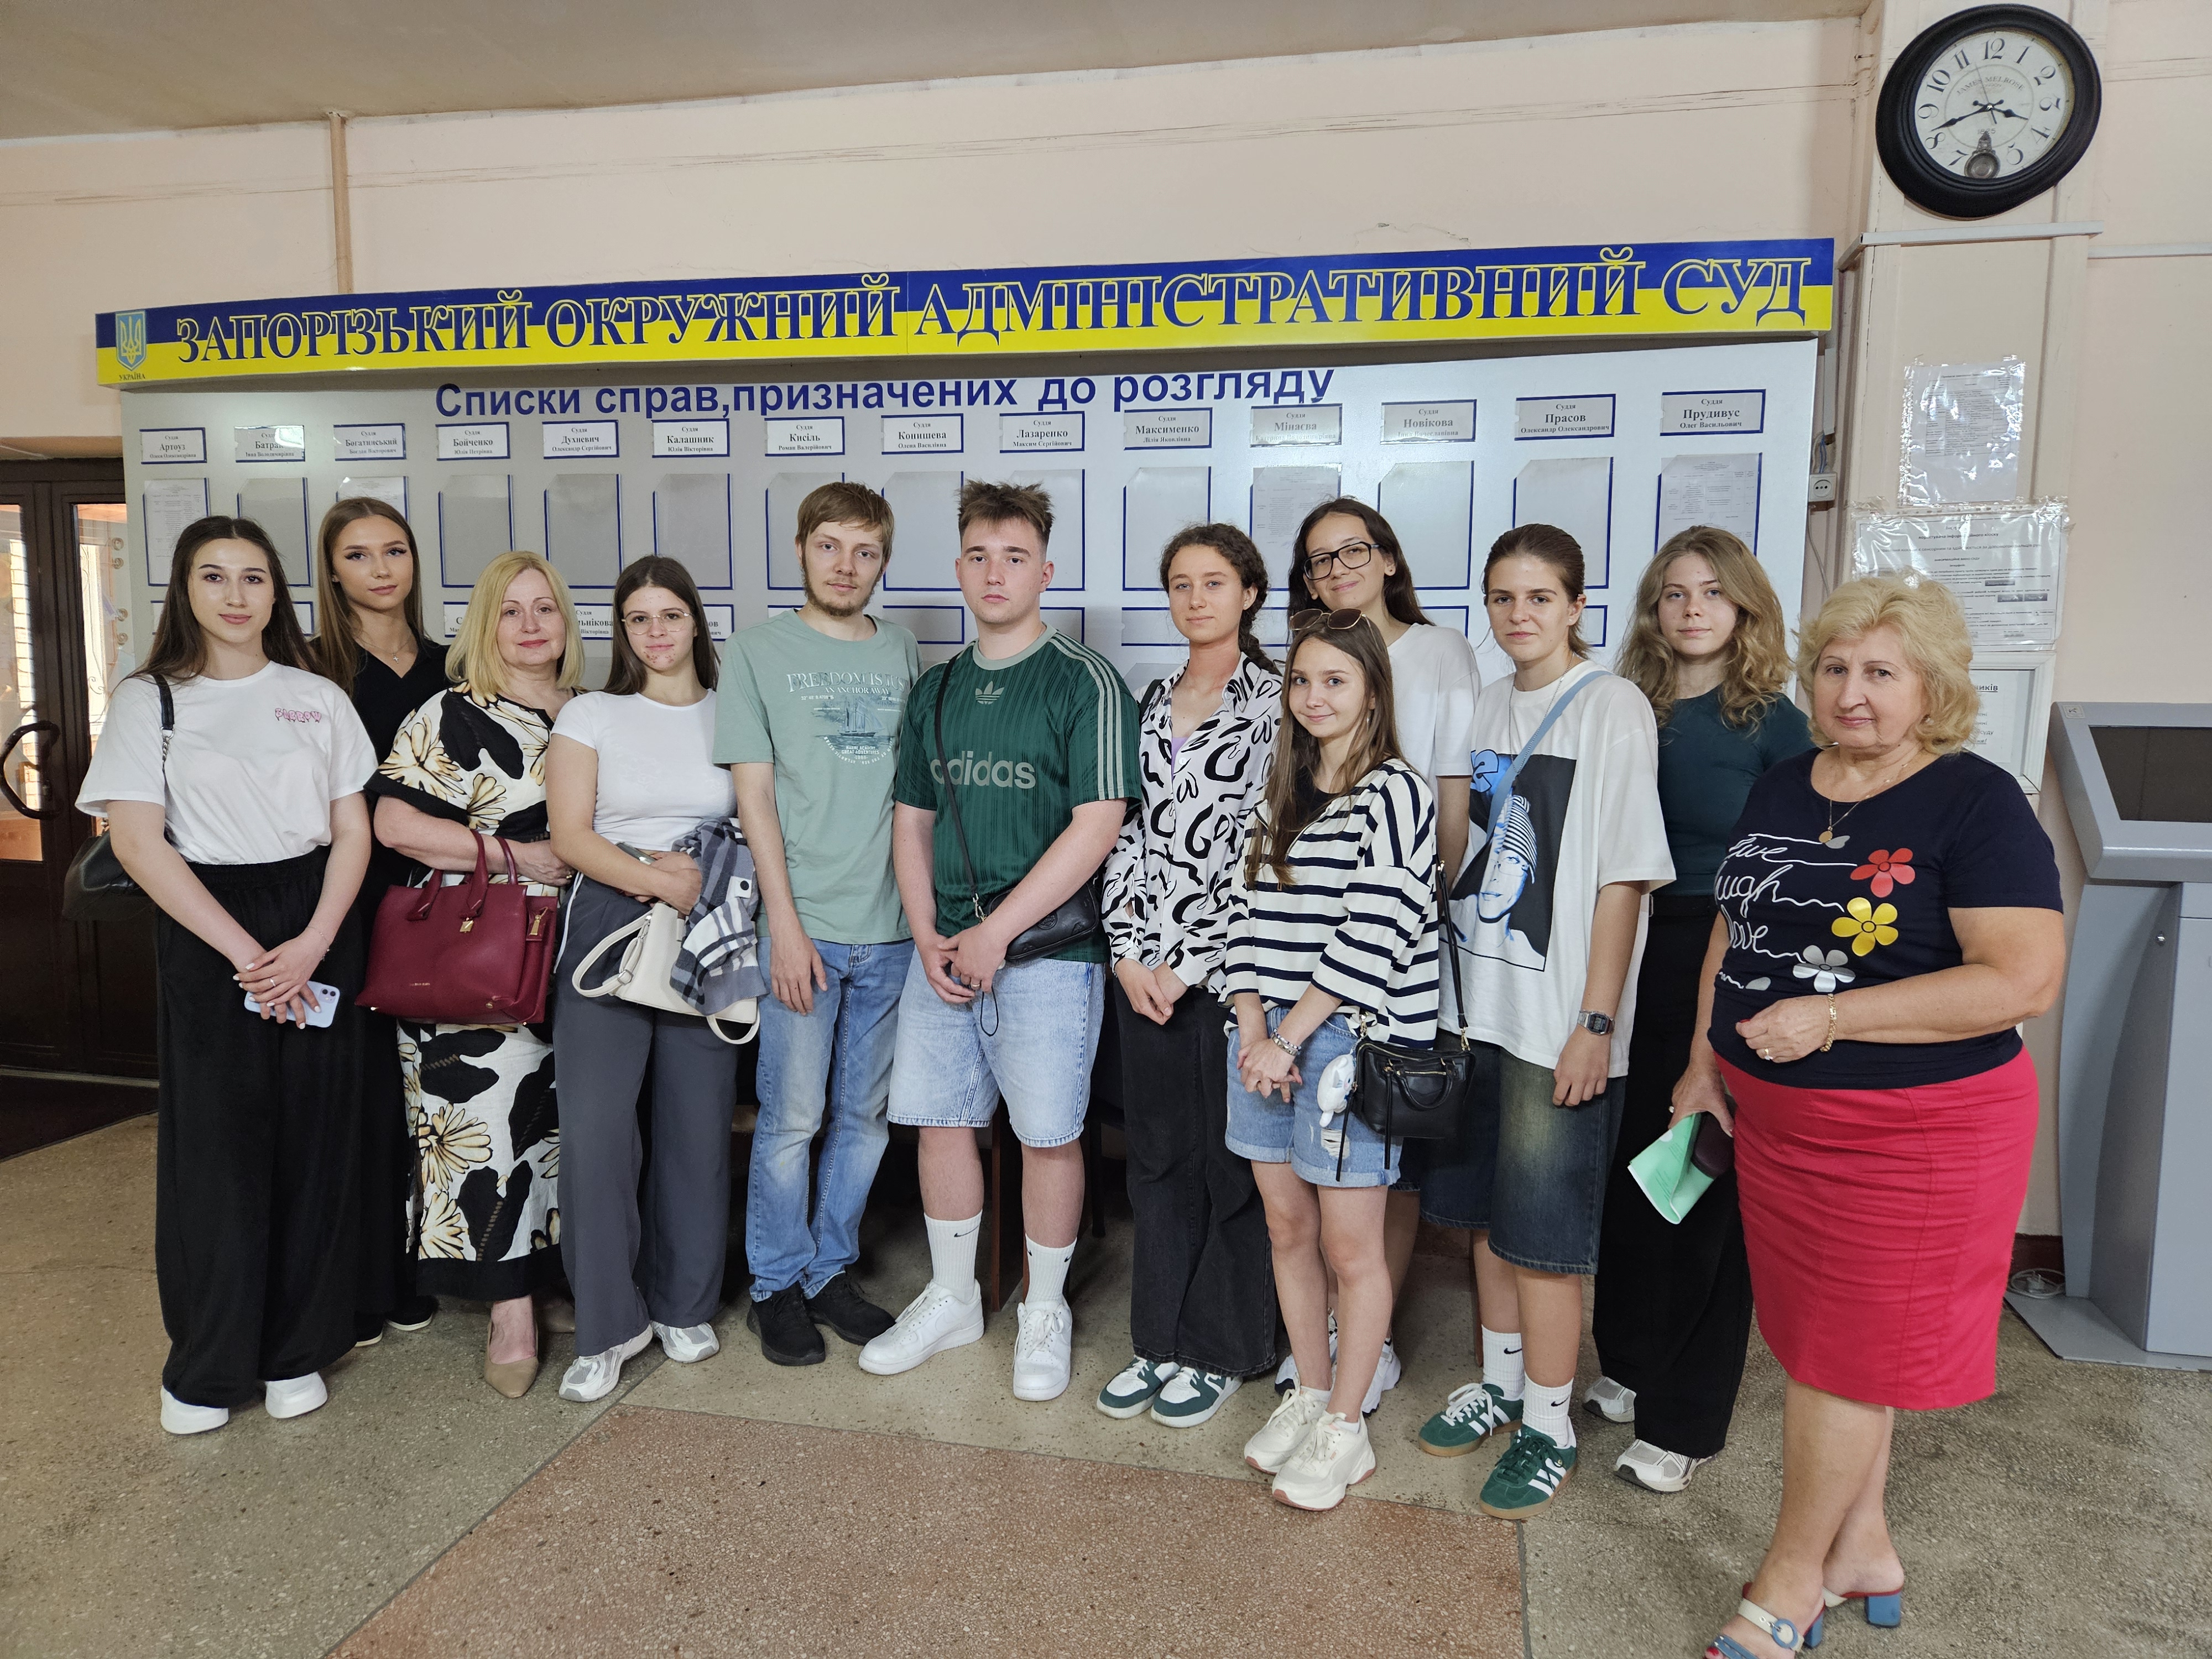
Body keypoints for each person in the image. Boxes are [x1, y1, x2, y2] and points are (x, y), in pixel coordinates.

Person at [1686, 575, 2063, 1659]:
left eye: (1881, 673)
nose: (1851, 692)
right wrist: (1702, 1063)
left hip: (1914, 1137)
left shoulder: (1975, 802)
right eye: (1835, 668)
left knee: (1845, 1362)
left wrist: (1833, 1017)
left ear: (1931, 688)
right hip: (1779, 1129)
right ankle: (1862, 1551)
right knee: (1831, 1350)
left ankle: (1790, 1584)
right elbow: (1734, 931)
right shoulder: (1783, 784)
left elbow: (2020, 979)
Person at [80, 515, 377, 1435]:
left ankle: (297, 1348)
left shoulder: (316, 696)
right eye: (214, 576)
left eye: (254, 577)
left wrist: (313, 942)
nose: (236, 595)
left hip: (315, 919)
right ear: (185, 590)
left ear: (276, 591)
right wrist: (247, 956)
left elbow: (354, 829)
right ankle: (208, 1363)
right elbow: (139, 842)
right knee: (219, 1149)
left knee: (315, 1140)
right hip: (207, 925)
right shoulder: (149, 699)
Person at [1414, 524, 1674, 1521]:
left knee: (1545, 1237)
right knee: (1486, 1219)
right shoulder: (1485, 704)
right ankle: (1502, 1383)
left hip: (1556, 1019)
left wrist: (1596, 1022)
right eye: (1502, 597)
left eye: (1538, 598)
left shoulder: (1612, 708)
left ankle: (1551, 1422)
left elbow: (1624, 879)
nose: (1518, 615)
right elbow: (1463, 851)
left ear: (1575, 607)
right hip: (1476, 1011)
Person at [858, 479, 1138, 1403]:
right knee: (941, 1122)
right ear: (958, 568)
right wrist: (930, 935)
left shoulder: (1085, 680)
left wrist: (994, 934)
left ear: (1045, 572)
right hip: (944, 952)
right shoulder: (936, 689)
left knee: (1048, 1132)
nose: (995, 573)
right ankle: (953, 1297)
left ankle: (1044, 1310)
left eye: (1015, 557)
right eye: (979, 556)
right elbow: (912, 823)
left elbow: (1097, 826)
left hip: (1048, 954)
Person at [1585, 528, 1812, 1493]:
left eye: (1713, 592)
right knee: (1632, 1173)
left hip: (1722, 952)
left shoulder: (1775, 724)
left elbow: (1803, 867)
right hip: (1624, 946)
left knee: (1701, 1174)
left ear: (1746, 606)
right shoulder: (1622, 704)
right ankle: (1632, 1363)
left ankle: (1684, 1418)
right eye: (1675, 593)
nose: (1692, 609)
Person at [1223, 609, 1439, 1511]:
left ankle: (1347, 1429)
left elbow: (1373, 936)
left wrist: (1289, 1038)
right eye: (1302, 681)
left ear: (1372, 692)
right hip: (1261, 1038)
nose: (1315, 697)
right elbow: (1236, 918)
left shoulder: (1396, 793)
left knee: (1352, 1245)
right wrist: (1250, 1028)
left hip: (1346, 1037)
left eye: (1336, 681)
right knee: (1287, 1229)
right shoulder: (1275, 788)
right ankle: (1311, 1395)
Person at [367, 551, 579, 1400]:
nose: (529, 625)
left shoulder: (594, 713)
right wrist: (515, 855)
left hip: (581, 958)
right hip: (480, 960)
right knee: (490, 1132)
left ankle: (556, 1274)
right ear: (484, 625)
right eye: (510, 610)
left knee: (561, 1127)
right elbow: (393, 824)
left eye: (545, 608)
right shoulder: (452, 713)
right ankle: (509, 1313)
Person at [720, 482, 918, 1367]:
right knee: (793, 1118)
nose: (846, 566)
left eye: (865, 551)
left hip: (892, 930)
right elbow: (755, 799)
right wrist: (785, 928)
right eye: (830, 546)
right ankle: (775, 1285)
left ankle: (830, 1271)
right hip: (804, 928)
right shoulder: (756, 651)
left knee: (863, 1119)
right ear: (801, 549)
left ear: (883, 562)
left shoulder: (902, 648)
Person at [1287, 497, 1479, 1406]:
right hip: (1309, 955)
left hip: (1391, 946)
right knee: (1317, 1178)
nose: (1337, 570)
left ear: (1391, 560)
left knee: (1381, 1146)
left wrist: (1407, 907)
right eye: (1319, 560)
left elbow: (1451, 797)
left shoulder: (1438, 653)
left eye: (1352, 551)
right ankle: (1327, 1334)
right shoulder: (1307, 667)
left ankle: (1375, 1333)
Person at [546, 557, 746, 1401]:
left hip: (713, 924)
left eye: (670, 615)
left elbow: (763, 817)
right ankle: (607, 1326)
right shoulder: (592, 713)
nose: (656, 632)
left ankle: (683, 1304)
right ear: (622, 631)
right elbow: (569, 834)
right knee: (595, 1135)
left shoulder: (736, 710)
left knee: (697, 1128)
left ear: (696, 621)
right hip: (611, 920)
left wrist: (700, 882)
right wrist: (657, 879)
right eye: (638, 619)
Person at [1095, 524, 1281, 1428]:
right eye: (1180, 583)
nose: (1196, 598)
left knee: (1232, 1165)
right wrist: (1129, 952)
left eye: (1214, 582)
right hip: (1145, 972)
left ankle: (1223, 1347)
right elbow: (1125, 831)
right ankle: (1157, 1338)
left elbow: (1265, 848)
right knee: (1158, 1160)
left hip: (1230, 973)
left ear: (1250, 594)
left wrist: (1191, 963)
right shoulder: (1148, 700)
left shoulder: (1281, 704)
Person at [310, 497, 450, 1347]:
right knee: (359, 1095)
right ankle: (367, 1283)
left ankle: (427, 1266)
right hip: (348, 900)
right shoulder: (310, 669)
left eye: (394, 550)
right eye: (358, 555)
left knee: (431, 1095)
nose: (381, 569)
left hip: (445, 902)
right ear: (333, 573)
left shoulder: (451, 665)